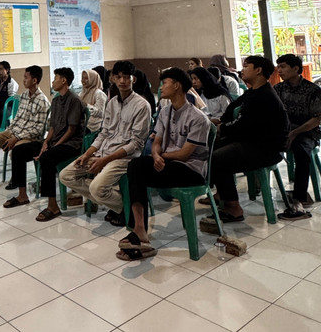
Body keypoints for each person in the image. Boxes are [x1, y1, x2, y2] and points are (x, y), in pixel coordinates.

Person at [117, 68, 210, 261]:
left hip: (190, 169)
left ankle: (138, 235)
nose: (161, 87)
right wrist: (156, 155)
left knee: (140, 170)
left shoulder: (198, 118)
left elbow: (185, 155)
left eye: (165, 83)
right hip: (167, 163)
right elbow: (157, 140)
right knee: (135, 166)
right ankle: (139, 230)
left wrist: (161, 158)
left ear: (177, 85)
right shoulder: (165, 111)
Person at [60, 61, 151, 226]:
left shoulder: (142, 105)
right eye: (119, 77)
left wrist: (105, 160)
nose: (122, 81)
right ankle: (118, 204)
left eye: (126, 77)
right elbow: (104, 133)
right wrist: (88, 154)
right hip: (103, 152)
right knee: (66, 175)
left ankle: (125, 208)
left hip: (125, 158)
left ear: (133, 80)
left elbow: (136, 144)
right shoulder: (112, 103)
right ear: (114, 79)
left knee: (96, 188)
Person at [203, 56, 289, 224]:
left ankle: (233, 208)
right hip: (253, 141)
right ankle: (222, 193)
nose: (242, 69)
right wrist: (222, 121)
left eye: (246, 66)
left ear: (258, 70)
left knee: (218, 158)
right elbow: (232, 108)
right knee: (211, 147)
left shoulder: (264, 96)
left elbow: (243, 125)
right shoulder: (254, 91)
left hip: (266, 149)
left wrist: (223, 128)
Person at [3, 67, 85, 222]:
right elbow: (52, 127)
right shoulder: (55, 100)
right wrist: (46, 142)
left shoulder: (74, 100)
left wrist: (53, 145)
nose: (52, 82)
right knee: (19, 150)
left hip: (70, 144)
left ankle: (53, 206)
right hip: (54, 141)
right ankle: (22, 195)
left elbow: (71, 129)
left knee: (47, 158)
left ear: (64, 81)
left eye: (55, 79)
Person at [0, 66, 49, 192]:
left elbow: (38, 129)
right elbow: (17, 117)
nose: (23, 80)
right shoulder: (24, 95)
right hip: (14, 131)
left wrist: (16, 137)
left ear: (34, 80)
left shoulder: (42, 101)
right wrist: (10, 132)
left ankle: (16, 179)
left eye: (26, 77)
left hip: (29, 137)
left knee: (17, 150)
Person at [274, 54, 321, 220]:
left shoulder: (312, 90)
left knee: (302, 152)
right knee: (259, 144)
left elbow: (317, 119)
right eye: (278, 67)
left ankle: (299, 200)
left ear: (295, 68)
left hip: (307, 132)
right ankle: (257, 186)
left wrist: (294, 133)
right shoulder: (279, 89)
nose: (279, 70)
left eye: (283, 67)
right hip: (286, 131)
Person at [0, 61, 19, 126]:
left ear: (7, 70)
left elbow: (11, 99)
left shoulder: (12, 83)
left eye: (1, 69)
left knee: (3, 112)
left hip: (7, 106)